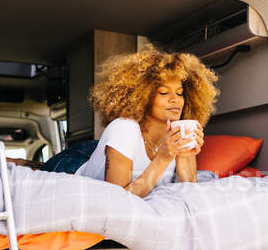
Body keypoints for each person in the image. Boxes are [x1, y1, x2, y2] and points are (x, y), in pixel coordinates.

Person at [75, 46, 219, 197]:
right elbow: (117, 201)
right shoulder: (124, 128)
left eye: (180, 93)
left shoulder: (180, 132)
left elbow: (189, 194)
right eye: (164, 92)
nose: (175, 99)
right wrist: (164, 158)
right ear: (142, 96)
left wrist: (183, 156)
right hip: (73, 163)